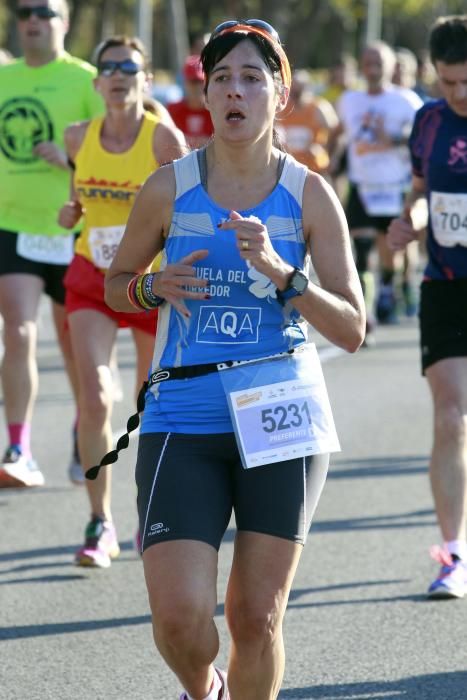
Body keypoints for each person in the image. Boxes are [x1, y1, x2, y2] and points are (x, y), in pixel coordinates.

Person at [103, 19, 365, 699]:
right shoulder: (168, 188)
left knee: (257, 616)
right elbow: (115, 283)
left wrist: (284, 273)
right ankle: (204, 687)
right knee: (179, 619)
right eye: (221, 78)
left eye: (251, 77)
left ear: (279, 94)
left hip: (281, 410)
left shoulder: (309, 195)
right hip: (181, 415)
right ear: (206, 93)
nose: (235, 91)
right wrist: (148, 286)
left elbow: (352, 327)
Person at [58, 35, 186, 567]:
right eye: (108, 68)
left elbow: (186, 213)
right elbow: (79, 199)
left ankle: (148, 514)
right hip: (92, 277)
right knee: (95, 396)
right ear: (96, 82)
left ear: (145, 80)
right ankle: (99, 520)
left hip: (150, 284)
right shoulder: (76, 136)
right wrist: (72, 214)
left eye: (128, 68)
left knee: (149, 405)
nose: (117, 76)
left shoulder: (164, 142)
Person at [0, 0, 104, 488]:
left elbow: (111, 153)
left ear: (63, 21)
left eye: (44, 10)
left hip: (70, 230)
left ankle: (84, 432)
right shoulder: (5, 78)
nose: (33, 20)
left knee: (75, 352)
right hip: (12, 225)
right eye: (23, 12)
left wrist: (68, 159)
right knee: (18, 333)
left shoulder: (85, 80)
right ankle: (18, 447)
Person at [387, 15, 467, 599]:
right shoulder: (429, 120)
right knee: (450, 416)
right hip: (444, 285)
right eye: (448, 82)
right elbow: (420, 192)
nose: (458, 94)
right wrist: (409, 224)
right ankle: (455, 554)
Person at [337, 41, 423, 342]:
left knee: (390, 252)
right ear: (362, 65)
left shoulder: (406, 101)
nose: (373, 67)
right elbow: (342, 134)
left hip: (392, 186)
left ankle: (388, 289)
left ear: (389, 66)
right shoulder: (349, 100)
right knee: (359, 251)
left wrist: (396, 139)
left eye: (379, 61)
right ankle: (366, 311)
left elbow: (421, 137)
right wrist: (335, 160)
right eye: (368, 61)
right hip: (362, 186)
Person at [275, 68, 339, 178]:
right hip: (290, 170)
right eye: (293, 91)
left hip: (316, 169)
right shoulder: (283, 109)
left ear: (307, 88)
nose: (295, 97)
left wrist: (326, 151)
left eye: (299, 91)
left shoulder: (319, 108)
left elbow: (336, 132)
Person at [168, 54, 214, 148]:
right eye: (193, 81)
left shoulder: (216, 112)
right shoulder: (172, 111)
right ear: (185, 82)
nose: (197, 87)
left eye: (200, 82)